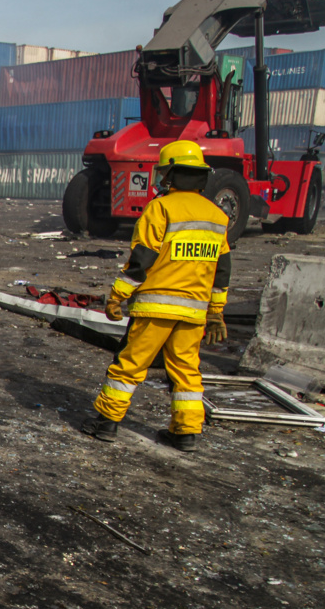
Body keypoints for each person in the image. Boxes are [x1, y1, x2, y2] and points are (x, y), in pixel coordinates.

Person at [80, 140, 231, 452]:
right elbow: (222, 271)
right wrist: (216, 311)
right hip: (194, 314)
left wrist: (117, 296)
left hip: (155, 309)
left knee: (129, 366)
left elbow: (142, 259)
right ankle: (186, 434)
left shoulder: (160, 208)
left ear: (171, 174)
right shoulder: (217, 217)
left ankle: (106, 423)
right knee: (187, 372)